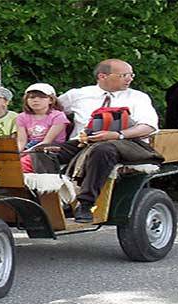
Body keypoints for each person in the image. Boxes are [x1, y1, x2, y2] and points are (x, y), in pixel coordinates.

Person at [30, 59, 162, 223]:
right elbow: (49, 110)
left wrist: (116, 134)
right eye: (124, 75)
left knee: (102, 150)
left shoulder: (137, 97)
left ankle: (85, 204)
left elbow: (148, 126)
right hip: (81, 142)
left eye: (131, 75)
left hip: (123, 142)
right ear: (102, 76)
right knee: (42, 150)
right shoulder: (78, 95)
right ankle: (53, 201)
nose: (130, 78)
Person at [15, 83, 69, 172]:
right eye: (31, 97)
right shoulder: (21, 117)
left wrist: (26, 153)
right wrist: (16, 154)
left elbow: (47, 141)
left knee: (24, 163)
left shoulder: (58, 116)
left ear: (51, 100)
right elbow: (21, 141)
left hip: (51, 149)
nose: (36, 100)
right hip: (29, 147)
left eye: (41, 97)